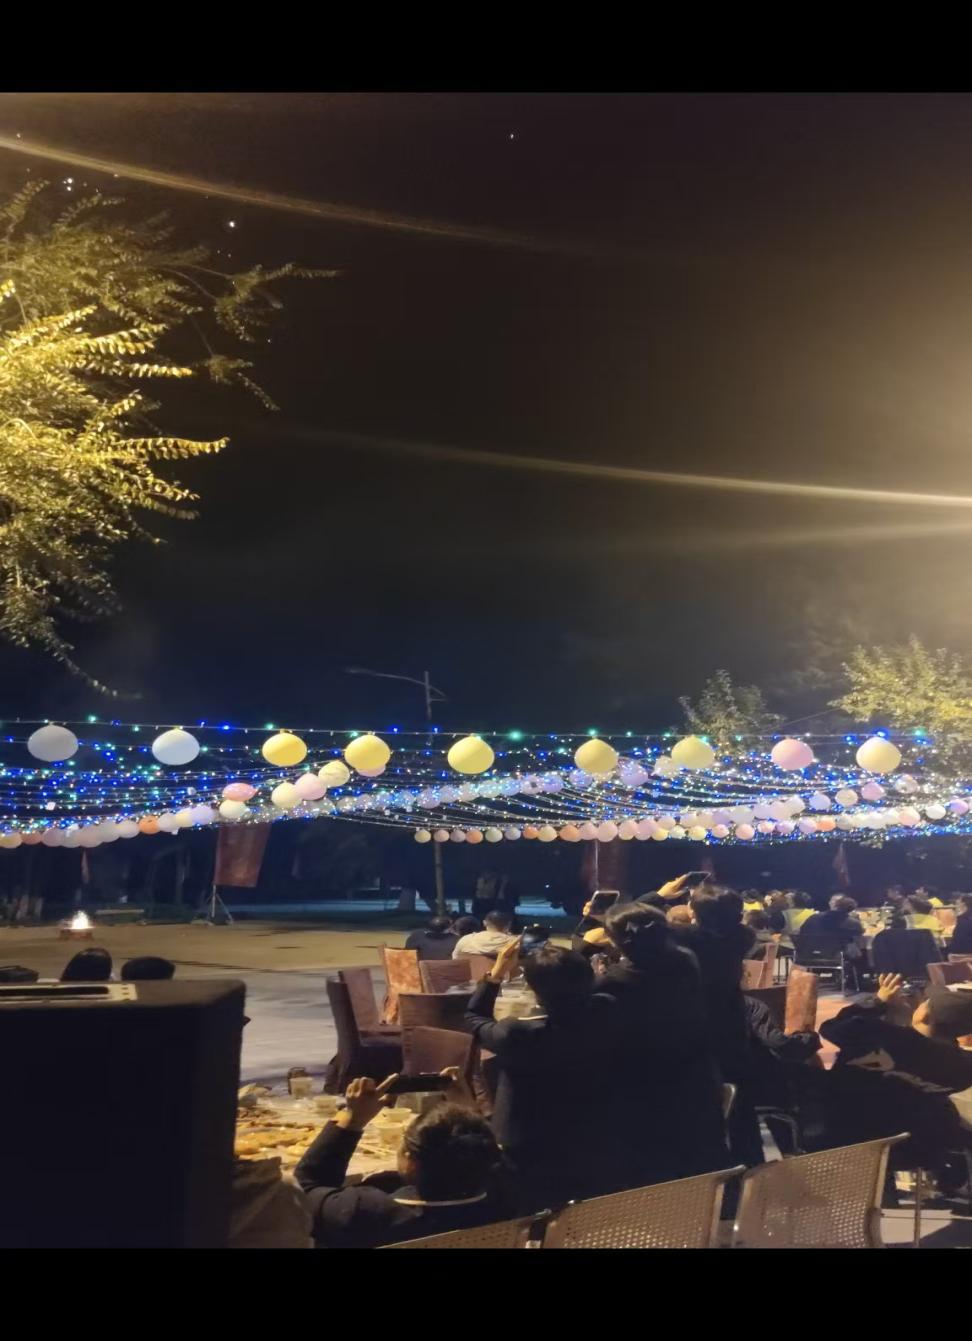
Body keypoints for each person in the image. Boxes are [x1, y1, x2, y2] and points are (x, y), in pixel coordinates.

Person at [466, 938, 627, 1209]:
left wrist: (495, 976)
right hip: (593, 1134)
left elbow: (474, 1018)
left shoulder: (518, 1033)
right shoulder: (607, 1011)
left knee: (531, 1214)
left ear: (533, 989)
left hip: (527, 1147)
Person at [595, 902, 730, 1184]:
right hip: (697, 1076)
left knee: (655, 1168)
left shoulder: (613, 982)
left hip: (646, 1084)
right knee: (700, 1163)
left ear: (615, 941)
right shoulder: (686, 962)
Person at [294, 1074, 506, 1248]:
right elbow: (495, 1158)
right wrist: (467, 1113)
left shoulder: (365, 1211)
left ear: (411, 1163)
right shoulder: (503, 1199)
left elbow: (301, 1193)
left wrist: (353, 1119)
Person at [819, 973, 972, 1177]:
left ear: (924, 1016)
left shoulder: (876, 1034)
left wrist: (878, 1002)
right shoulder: (962, 1065)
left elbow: (830, 1028)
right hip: (914, 1149)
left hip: (847, 1137)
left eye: (924, 1002)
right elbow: (922, 1050)